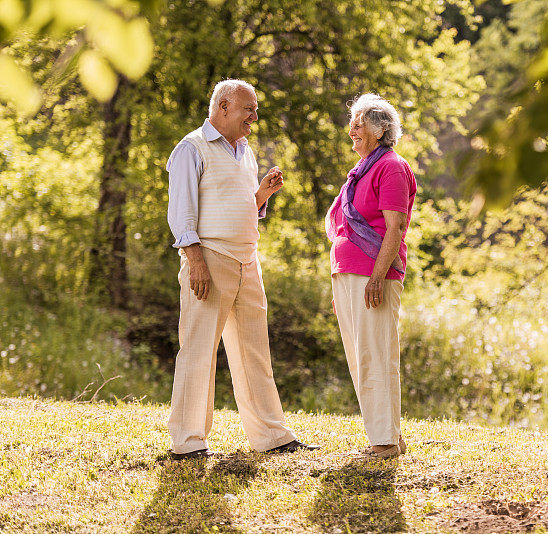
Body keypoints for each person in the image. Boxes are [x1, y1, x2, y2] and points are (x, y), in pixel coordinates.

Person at [166, 79, 318, 459]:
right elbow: (181, 213)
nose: (254, 116)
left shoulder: (245, 151)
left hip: (248, 260)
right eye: (248, 109)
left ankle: (271, 436)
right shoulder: (191, 148)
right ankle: (188, 441)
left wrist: (262, 193)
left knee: (254, 351)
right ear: (223, 108)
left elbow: (239, 204)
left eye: (255, 109)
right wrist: (195, 261)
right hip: (210, 258)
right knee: (199, 351)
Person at [325, 93, 417, 459]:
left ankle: (384, 442)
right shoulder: (362, 170)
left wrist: (377, 278)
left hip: (372, 276)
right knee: (362, 356)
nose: (352, 129)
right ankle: (389, 437)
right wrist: (343, 288)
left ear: (380, 130)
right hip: (352, 276)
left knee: (376, 356)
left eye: (359, 123)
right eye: (352, 123)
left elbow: (395, 227)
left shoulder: (391, 167)